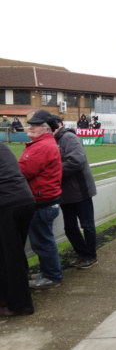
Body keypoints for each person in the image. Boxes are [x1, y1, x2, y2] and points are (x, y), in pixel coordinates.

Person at [18, 110, 64, 289]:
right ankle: (50, 272)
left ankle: (52, 276)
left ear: (45, 129)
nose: (30, 127)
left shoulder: (42, 146)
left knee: (43, 242)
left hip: (42, 202)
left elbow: (23, 171)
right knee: (44, 241)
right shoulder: (44, 143)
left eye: (35, 125)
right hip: (46, 200)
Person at [51, 115, 98, 269]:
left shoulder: (69, 137)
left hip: (80, 189)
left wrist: (53, 173)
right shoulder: (53, 140)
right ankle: (82, 254)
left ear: (59, 124)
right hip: (64, 192)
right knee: (70, 228)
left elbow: (76, 161)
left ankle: (90, 256)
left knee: (87, 225)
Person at [0, 143, 36, 316]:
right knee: (11, 254)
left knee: (10, 257)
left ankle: (20, 304)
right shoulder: (2, 146)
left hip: (7, 205)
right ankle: (7, 298)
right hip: (23, 201)